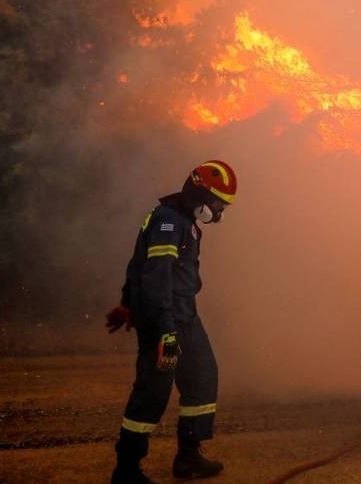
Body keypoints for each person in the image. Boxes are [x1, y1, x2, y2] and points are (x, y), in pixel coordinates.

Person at [105, 160, 237, 483]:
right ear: (200, 192)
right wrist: (165, 331)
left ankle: (189, 457)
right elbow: (156, 277)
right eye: (218, 201)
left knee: (203, 376)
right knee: (153, 390)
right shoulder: (168, 220)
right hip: (164, 319)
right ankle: (126, 469)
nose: (219, 210)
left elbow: (137, 263)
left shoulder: (184, 221)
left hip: (184, 316)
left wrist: (125, 303)